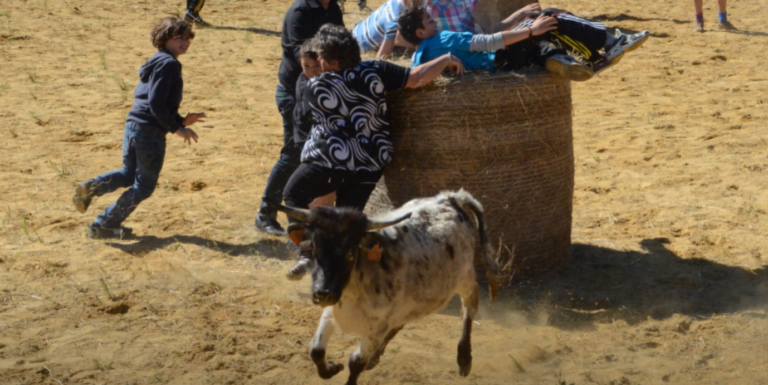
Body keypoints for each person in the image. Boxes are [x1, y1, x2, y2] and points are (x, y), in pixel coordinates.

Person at [282, 24, 465, 280]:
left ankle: (306, 251)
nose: (318, 64)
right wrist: (445, 58)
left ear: (333, 62)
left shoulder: (314, 84)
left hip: (328, 163)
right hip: (369, 166)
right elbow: (417, 77)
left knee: (292, 195)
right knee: (350, 226)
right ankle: (371, 268)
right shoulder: (376, 70)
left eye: (321, 60)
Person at [72, 18, 205, 239]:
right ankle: (104, 224)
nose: (185, 42)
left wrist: (181, 120)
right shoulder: (169, 64)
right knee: (144, 187)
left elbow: (151, 103)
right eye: (179, 38)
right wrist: (176, 128)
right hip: (149, 135)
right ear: (165, 39)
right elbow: (155, 103)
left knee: (128, 174)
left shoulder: (157, 60)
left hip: (134, 126)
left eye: (187, 38)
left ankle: (90, 188)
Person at [254, 0, 344, 236]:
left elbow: (341, 41)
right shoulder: (299, 12)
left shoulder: (333, 8)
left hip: (323, 90)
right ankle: (265, 213)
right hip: (295, 93)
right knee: (294, 153)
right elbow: (298, 52)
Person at [399, 7, 650, 81]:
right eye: (430, 21)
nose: (436, 23)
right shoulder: (443, 38)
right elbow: (488, 42)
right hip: (500, 57)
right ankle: (612, 40)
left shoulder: (421, 55)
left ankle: (558, 60)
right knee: (549, 17)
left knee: (539, 45)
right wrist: (531, 29)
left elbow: (414, 76)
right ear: (421, 32)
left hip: (497, 68)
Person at [293, 40, 337, 208]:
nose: (311, 71)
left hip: (319, 143)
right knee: (321, 193)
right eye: (306, 66)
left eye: (316, 65)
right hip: (309, 144)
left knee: (326, 192)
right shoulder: (306, 84)